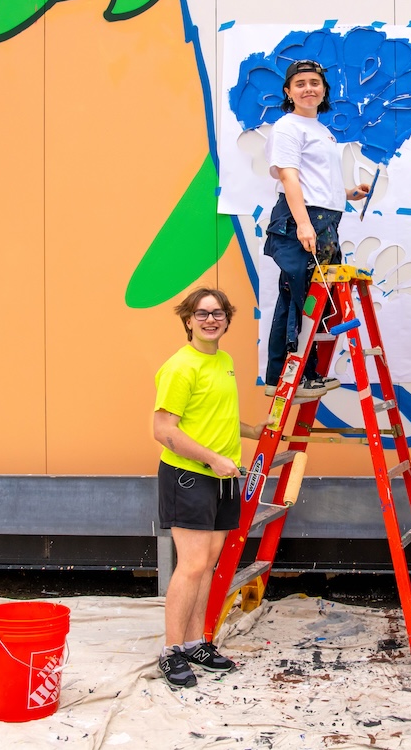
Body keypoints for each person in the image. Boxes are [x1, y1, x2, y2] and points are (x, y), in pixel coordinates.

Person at [153, 286, 268, 690]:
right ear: (188, 320)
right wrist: (211, 459)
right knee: (192, 565)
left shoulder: (224, 361)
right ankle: (170, 652)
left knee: (209, 565)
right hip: (190, 476)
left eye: (217, 313)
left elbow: (214, 417)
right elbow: (164, 430)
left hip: (223, 477)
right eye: (201, 314)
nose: (210, 319)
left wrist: (253, 431)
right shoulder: (181, 367)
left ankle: (195, 642)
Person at [262, 59, 370, 399]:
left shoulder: (321, 131)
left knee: (316, 301)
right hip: (300, 219)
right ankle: (284, 377)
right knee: (297, 299)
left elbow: (317, 181)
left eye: (315, 82)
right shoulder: (287, 127)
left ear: (323, 90)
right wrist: (304, 225)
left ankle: (305, 374)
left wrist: (349, 194)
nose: (309, 88)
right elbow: (289, 177)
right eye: (301, 83)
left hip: (324, 220)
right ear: (288, 91)